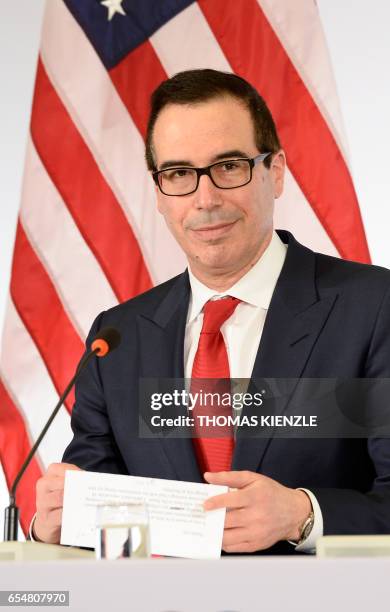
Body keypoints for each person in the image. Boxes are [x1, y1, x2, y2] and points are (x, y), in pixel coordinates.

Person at [32, 69, 390, 554]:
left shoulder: (373, 308)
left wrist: (304, 515)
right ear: (159, 192)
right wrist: (55, 523)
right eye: (179, 174)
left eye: (228, 166)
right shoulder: (117, 336)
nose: (205, 199)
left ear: (276, 171)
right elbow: (105, 519)